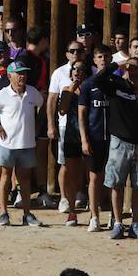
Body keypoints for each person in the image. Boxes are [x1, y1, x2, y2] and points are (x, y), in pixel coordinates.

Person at [92, 55, 138, 240]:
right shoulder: (116, 86)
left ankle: (135, 224)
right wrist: (115, 65)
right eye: (129, 67)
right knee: (116, 184)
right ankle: (118, 223)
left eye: (135, 67)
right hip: (119, 142)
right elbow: (97, 79)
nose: (132, 71)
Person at [0, 57, 46, 227]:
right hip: (7, 144)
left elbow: (42, 103)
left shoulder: (32, 92)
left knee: (25, 180)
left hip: (27, 144)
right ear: (10, 76)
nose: (22, 77)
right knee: (5, 178)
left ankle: (27, 214)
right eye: (18, 74)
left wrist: (38, 122)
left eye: (24, 74)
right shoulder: (3, 94)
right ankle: (4, 213)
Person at [78, 45, 114, 232]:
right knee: (94, 177)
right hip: (95, 137)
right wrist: (84, 139)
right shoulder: (88, 84)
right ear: (94, 59)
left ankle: (114, 217)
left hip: (114, 138)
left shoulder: (116, 82)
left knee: (114, 179)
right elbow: (82, 114)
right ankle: (94, 216)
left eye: (107, 56)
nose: (104, 60)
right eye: (100, 56)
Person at [56, 58, 90, 227]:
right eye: (74, 69)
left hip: (90, 135)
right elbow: (62, 110)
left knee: (92, 173)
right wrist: (72, 89)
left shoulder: (91, 89)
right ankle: (72, 212)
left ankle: (94, 210)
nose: (77, 72)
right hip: (71, 134)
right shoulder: (66, 90)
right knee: (71, 173)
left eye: (81, 69)